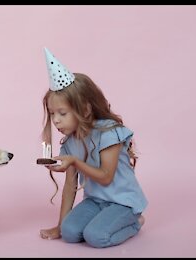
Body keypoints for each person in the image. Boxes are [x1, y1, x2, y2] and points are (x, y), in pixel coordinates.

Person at [38, 48, 148, 248]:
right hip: (95, 201)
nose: (55, 120)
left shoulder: (109, 133)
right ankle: (96, 221)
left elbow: (106, 176)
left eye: (62, 113)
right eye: (53, 114)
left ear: (85, 110)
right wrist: (60, 226)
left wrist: (75, 161)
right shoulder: (70, 143)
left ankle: (135, 223)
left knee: (95, 237)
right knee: (69, 233)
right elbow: (70, 186)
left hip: (122, 202)